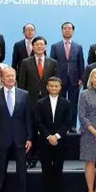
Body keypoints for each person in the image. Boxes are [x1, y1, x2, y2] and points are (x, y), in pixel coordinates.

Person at [0, 67, 33, 192]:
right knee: (0, 170)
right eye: (7, 76)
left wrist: (30, 137)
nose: (10, 78)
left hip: (20, 139)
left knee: (22, 171)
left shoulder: (24, 94)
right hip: (1, 139)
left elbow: (28, 118)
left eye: (12, 76)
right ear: (2, 79)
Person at [18, 36, 58, 168]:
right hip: (30, 101)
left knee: (46, 128)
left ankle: (45, 156)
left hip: (48, 101)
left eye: (42, 45)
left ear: (45, 47)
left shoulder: (52, 62)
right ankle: (31, 156)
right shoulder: (25, 62)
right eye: (37, 45)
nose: (40, 47)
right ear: (33, 47)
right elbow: (22, 83)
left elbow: (56, 83)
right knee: (32, 129)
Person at [34, 77, 72, 192]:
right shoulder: (40, 103)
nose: (54, 88)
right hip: (45, 142)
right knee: (46, 171)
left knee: (58, 170)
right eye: (51, 86)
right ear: (47, 87)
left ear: (60, 87)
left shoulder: (66, 103)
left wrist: (56, 136)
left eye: (56, 86)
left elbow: (68, 123)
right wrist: (49, 136)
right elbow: (39, 122)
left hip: (60, 142)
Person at [50, 22, 84, 132]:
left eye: (69, 28)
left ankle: (72, 125)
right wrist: (54, 79)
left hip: (74, 80)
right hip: (59, 80)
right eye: (65, 28)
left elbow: (81, 63)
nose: (67, 30)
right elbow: (52, 63)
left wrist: (81, 78)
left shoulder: (78, 46)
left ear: (73, 31)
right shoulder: (55, 46)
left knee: (73, 104)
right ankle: (60, 126)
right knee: (60, 104)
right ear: (61, 31)